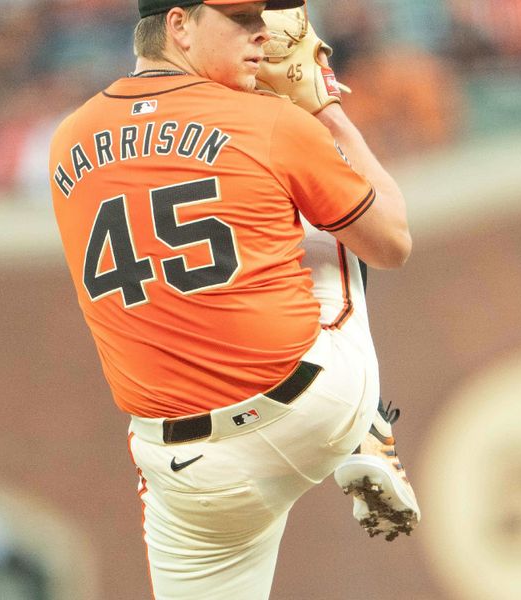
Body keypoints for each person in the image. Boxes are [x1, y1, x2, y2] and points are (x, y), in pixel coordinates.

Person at [49, 1, 418, 598]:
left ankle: (359, 426)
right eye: (242, 19)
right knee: (332, 221)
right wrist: (325, 112)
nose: (262, 34)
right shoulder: (272, 122)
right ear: (179, 26)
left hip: (180, 467)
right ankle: (368, 426)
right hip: (310, 409)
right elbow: (393, 242)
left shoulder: (65, 142)